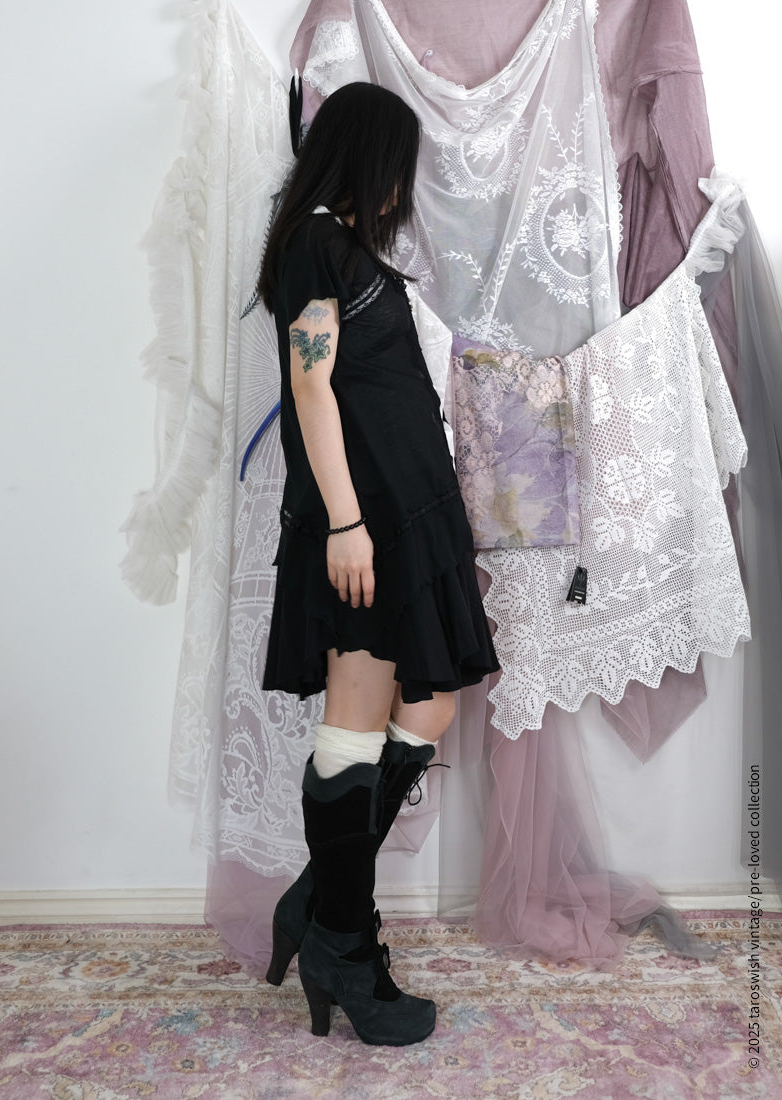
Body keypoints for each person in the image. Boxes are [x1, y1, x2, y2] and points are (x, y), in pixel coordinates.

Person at [257, 82, 499, 1046]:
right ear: (367, 159)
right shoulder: (315, 244)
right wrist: (345, 523)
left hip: (412, 518)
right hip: (366, 527)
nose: (403, 188)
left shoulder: (344, 250)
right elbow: (310, 388)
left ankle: (319, 899)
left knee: (428, 710)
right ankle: (344, 950)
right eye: (397, 166)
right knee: (354, 726)